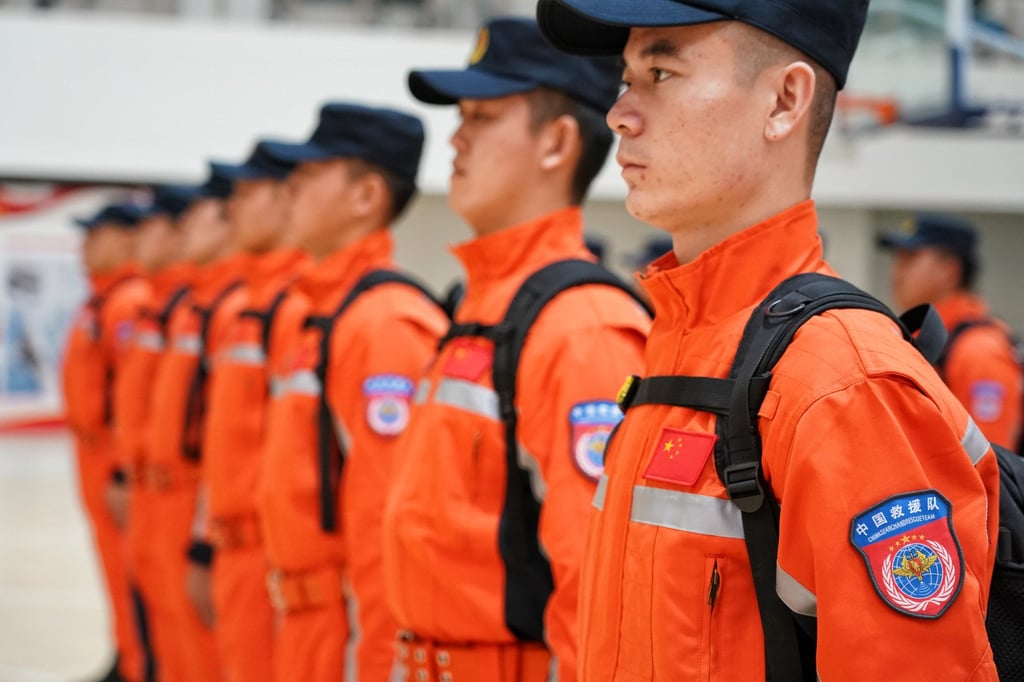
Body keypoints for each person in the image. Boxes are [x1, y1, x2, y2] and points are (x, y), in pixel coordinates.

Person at [536, 1, 1001, 679]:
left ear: (785, 101)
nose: (620, 114)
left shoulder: (843, 385)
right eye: (624, 79)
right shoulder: (681, 350)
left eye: (661, 73)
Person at [382, 18, 651, 682]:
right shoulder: (482, 308)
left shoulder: (580, 328)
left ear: (557, 142)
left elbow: (594, 592)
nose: (456, 138)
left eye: (482, 115)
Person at [256, 102, 448, 682]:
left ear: (366, 196)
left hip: (348, 627)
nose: (288, 189)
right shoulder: (321, 315)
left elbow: (388, 539)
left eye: (310, 174)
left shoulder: (384, 325)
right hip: (303, 618)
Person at [199, 142, 306, 682]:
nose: (231, 208)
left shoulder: (300, 309)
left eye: (246, 193)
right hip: (233, 545)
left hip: (274, 558)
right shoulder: (248, 306)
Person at [145, 167, 247, 682]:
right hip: (174, 497)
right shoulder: (200, 308)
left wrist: (203, 538)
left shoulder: (242, 311)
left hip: (215, 515)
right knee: (175, 641)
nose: (183, 228)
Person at [64, 203, 150, 682]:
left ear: (125, 241)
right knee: (116, 572)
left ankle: (135, 663)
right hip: (93, 454)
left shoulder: (127, 303)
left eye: (97, 236)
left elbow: (132, 396)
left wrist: (121, 470)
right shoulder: (103, 300)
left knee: (131, 572)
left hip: (113, 462)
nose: (85, 247)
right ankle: (125, 654)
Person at [113, 186, 196, 682]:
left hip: (186, 497)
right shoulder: (163, 308)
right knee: (161, 626)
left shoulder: (204, 310)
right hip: (146, 480)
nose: (137, 238)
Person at [879, 214, 1022, 450]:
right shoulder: (918, 333)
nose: (896, 271)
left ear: (949, 270)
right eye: (897, 259)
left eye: (909, 258)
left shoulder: (978, 350)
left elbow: (993, 462)